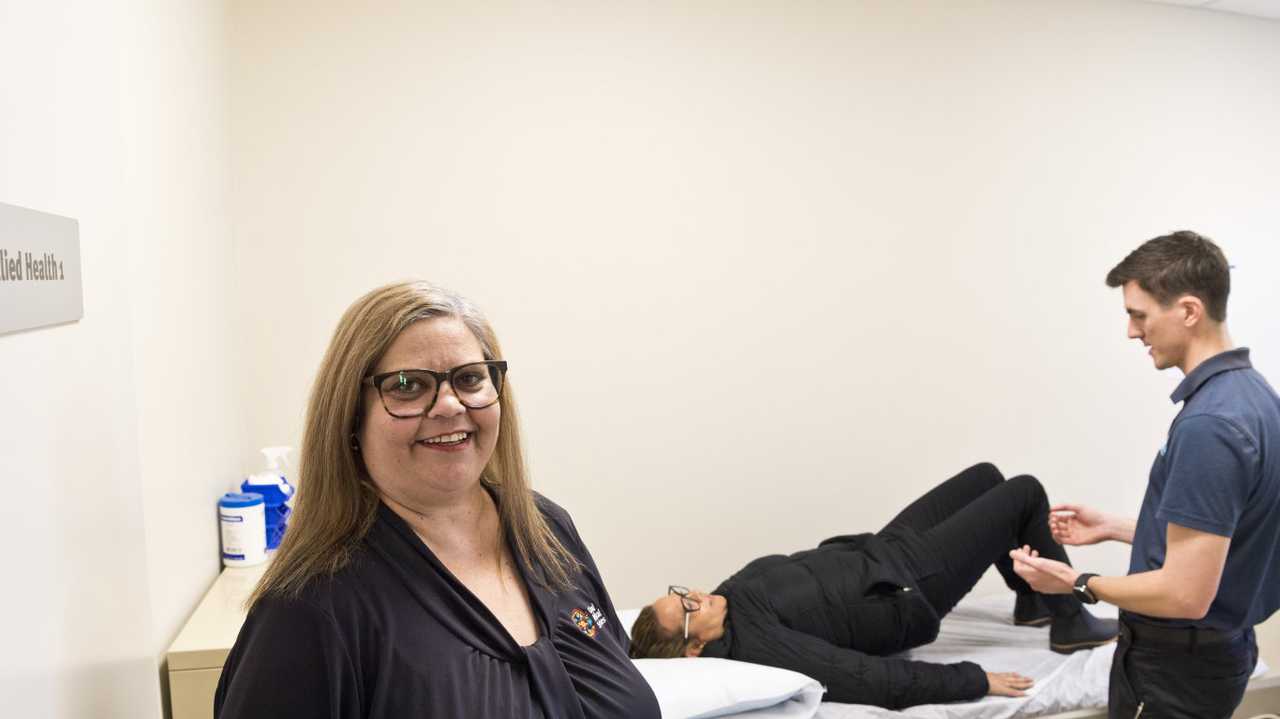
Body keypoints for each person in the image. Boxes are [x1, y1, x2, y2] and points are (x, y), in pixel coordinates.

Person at [214, 282, 659, 719]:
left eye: (469, 379)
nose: (449, 405)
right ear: (351, 417)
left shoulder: (547, 529)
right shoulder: (309, 610)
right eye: (407, 385)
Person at [1010, 231, 1280, 719]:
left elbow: (1184, 593)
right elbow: (1223, 537)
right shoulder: (1255, 398)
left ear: (1189, 311)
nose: (1132, 332)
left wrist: (1075, 582)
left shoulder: (1211, 425)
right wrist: (1116, 528)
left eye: (1139, 315)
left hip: (1174, 665)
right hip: (1216, 651)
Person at [628, 463, 1118, 709]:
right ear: (694, 649)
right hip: (910, 588)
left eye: (681, 592)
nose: (695, 594)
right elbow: (860, 677)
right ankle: (1069, 621)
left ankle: (1033, 603)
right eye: (687, 608)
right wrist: (972, 680)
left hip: (885, 550)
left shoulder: (727, 601)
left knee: (986, 476)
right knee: (1023, 493)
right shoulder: (761, 647)